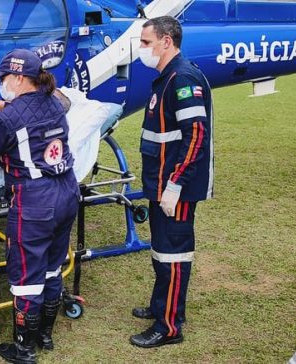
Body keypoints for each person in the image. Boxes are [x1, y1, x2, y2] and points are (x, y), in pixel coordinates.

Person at [0, 49, 80, 364]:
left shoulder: (7, 119)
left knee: (26, 276)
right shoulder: (55, 101)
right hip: (67, 190)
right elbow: (34, 116)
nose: (1, 83)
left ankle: (24, 350)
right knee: (52, 266)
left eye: (3, 78)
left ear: (17, 77)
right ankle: (44, 335)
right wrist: (7, 108)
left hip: (34, 200)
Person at [130, 16, 214, 348]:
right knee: (160, 251)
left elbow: (196, 137)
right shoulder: (166, 78)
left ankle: (169, 327)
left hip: (174, 188)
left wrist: (176, 185)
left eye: (146, 42)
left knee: (173, 254)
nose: (142, 49)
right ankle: (160, 307)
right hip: (160, 183)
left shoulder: (183, 79)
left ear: (167, 41)